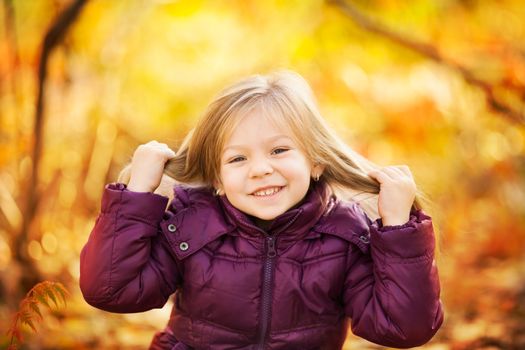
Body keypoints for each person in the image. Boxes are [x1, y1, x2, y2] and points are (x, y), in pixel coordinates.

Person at [79, 70, 444, 349]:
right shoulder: (191, 226)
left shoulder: (345, 235)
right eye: (238, 158)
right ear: (217, 177)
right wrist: (138, 194)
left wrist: (397, 228)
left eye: (279, 151)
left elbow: (404, 327)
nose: (260, 169)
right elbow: (110, 289)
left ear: (316, 161)